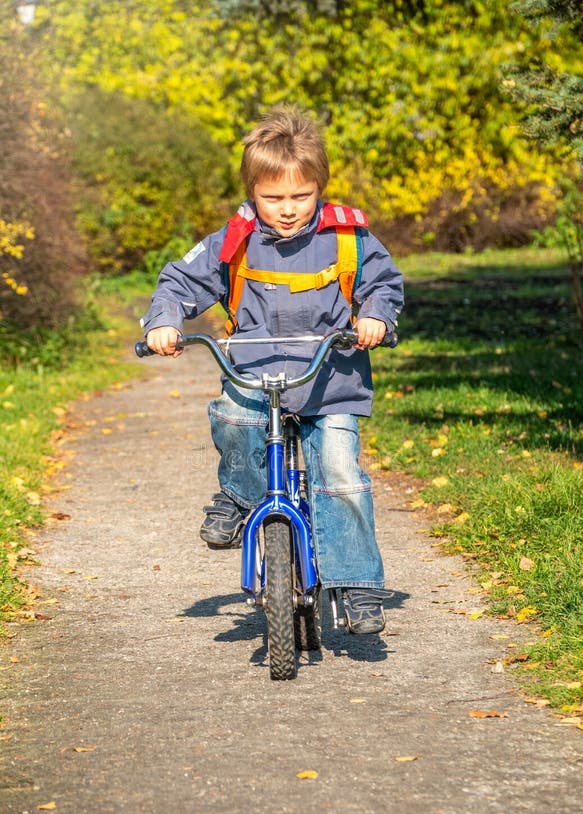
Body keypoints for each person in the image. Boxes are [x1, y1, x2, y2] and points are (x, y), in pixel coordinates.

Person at [141, 105, 404, 635]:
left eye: (300, 197)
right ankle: (241, 495)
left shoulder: (348, 238)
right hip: (255, 374)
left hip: (331, 381)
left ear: (320, 188)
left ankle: (355, 583)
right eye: (273, 197)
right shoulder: (234, 239)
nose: (287, 210)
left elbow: (384, 284)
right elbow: (179, 283)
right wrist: (164, 322)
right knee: (233, 419)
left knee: (340, 474)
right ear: (252, 191)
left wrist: (375, 316)